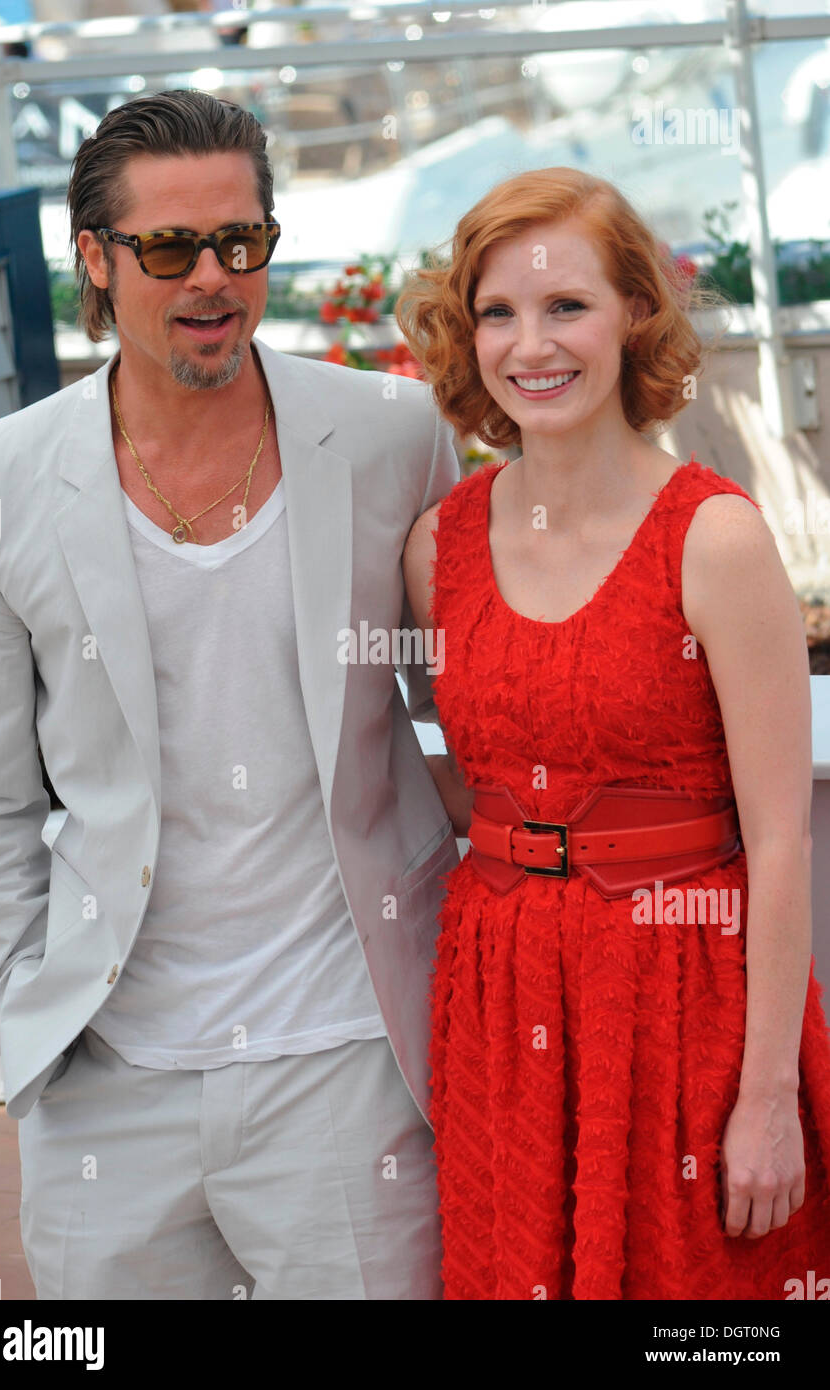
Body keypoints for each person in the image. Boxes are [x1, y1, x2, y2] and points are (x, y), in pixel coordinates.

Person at [0, 89, 461, 1300]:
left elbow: (473, 709)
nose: (213, 278)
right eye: (171, 247)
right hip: (108, 1073)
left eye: (242, 241)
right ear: (93, 256)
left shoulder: (391, 431)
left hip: (351, 1054)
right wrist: (20, 1030)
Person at [399, 167, 830, 1300]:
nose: (528, 343)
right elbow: (450, 773)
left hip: (684, 1004)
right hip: (501, 1002)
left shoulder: (714, 540)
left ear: (635, 313)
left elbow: (779, 842)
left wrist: (767, 1095)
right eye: (497, 310)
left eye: (565, 305)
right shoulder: (434, 547)